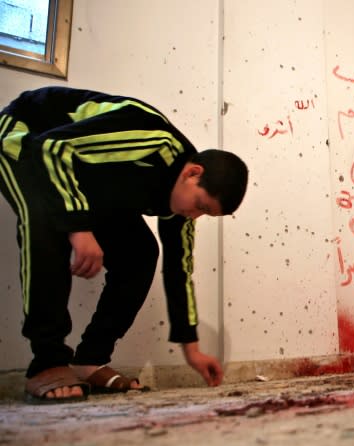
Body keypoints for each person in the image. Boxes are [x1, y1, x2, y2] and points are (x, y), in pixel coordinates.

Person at [0, 86, 248, 403]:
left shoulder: (181, 205)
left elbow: (178, 271)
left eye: (206, 214)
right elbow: (51, 148)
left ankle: (90, 360)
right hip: (26, 135)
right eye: (200, 205)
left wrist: (192, 348)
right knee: (45, 220)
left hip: (80, 175)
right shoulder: (151, 139)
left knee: (142, 253)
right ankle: (47, 362)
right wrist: (78, 228)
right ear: (192, 172)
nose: (195, 216)